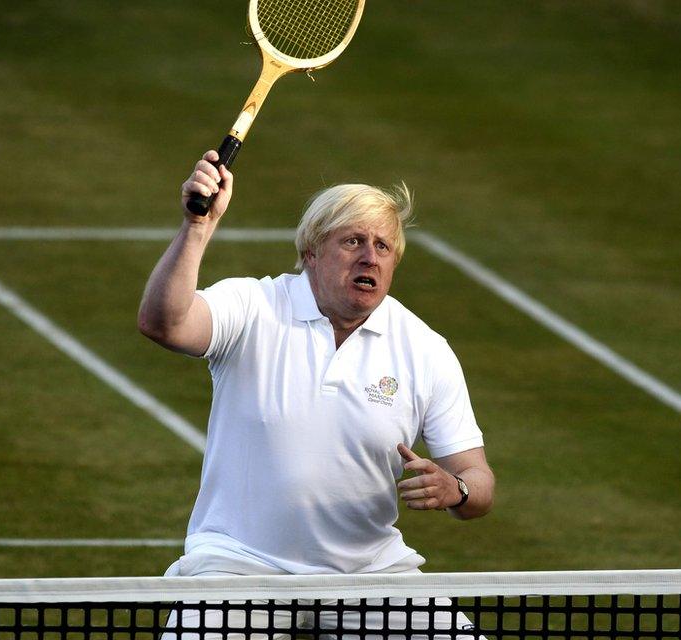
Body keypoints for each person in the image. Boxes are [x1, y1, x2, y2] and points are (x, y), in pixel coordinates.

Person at [139, 150, 494, 637]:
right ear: (311, 252)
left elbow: (478, 481)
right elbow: (164, 323)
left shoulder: (425, 349)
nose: (370, 256)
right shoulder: (254, 306)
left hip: (370, 575)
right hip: (238, 568)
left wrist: (458, 489)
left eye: (383, 247)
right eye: (352, 242)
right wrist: (197, 226)